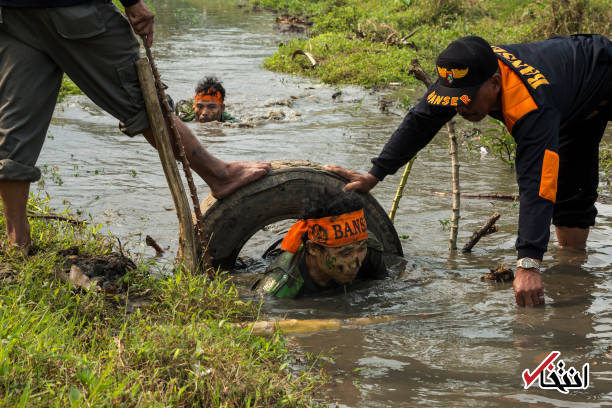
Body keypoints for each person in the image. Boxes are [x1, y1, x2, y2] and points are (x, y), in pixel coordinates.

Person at [326, 35, 612, 308]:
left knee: (551, 181)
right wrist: (374, 174)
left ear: (495, 82)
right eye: (455, 99)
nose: (460, 108)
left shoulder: (532, 107)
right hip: (572, 101)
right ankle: (573, 270)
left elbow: (537, 183)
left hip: (603, 73)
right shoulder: (463, 73)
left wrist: (528, 264)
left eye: (468, 98)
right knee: (571, 192)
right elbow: (420, 121)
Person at [0, 0, 270, 255]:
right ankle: (219, 174)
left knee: (15, 125)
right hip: (72, 10)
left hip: (13, 14)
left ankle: (17, 242)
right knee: (145, 101)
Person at [253, 192, 387, 298]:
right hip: (277, 238)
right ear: (314, 249)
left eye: (361, 249)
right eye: (345, 253)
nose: (356, 263)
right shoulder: (282, 285)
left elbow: (383, 285)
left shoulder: (370, 250)